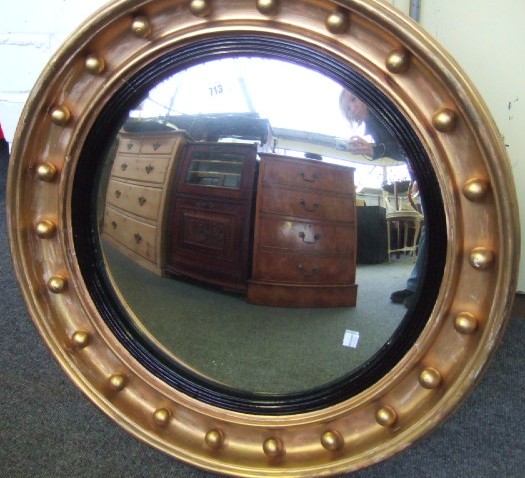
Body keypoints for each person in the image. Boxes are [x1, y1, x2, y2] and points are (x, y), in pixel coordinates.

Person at [339, 88, 425, 307]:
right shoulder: (375, 123)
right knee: (433, 230)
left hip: (430, 168)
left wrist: (374, 149)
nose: (352, 109)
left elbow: (411, 141)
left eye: (354, 99)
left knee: (437, 231)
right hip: (422, 172)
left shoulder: (384, 111)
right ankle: (417, 287)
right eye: (348, 107)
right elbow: (404, 150)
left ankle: (423, 288)